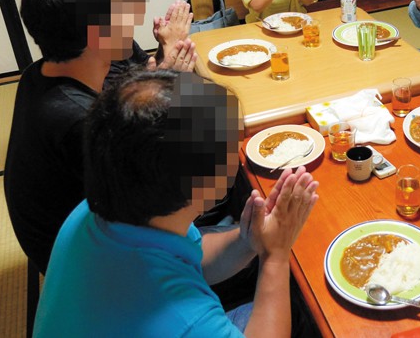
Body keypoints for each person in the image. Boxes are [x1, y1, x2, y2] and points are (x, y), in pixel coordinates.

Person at [34, 70, 319, 338]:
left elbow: (193, 257)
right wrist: (276, 255)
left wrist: (250, 240)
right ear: (204, 182)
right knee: (308, 313)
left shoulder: (100, 209)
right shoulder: (186, 322)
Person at [3, 0, 196, 273]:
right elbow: (159, 188)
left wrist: (158, 78)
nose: (134, 17)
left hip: (85, 233)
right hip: (91, 268)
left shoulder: (39, 74)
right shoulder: (82, 120)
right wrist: (172, 91)